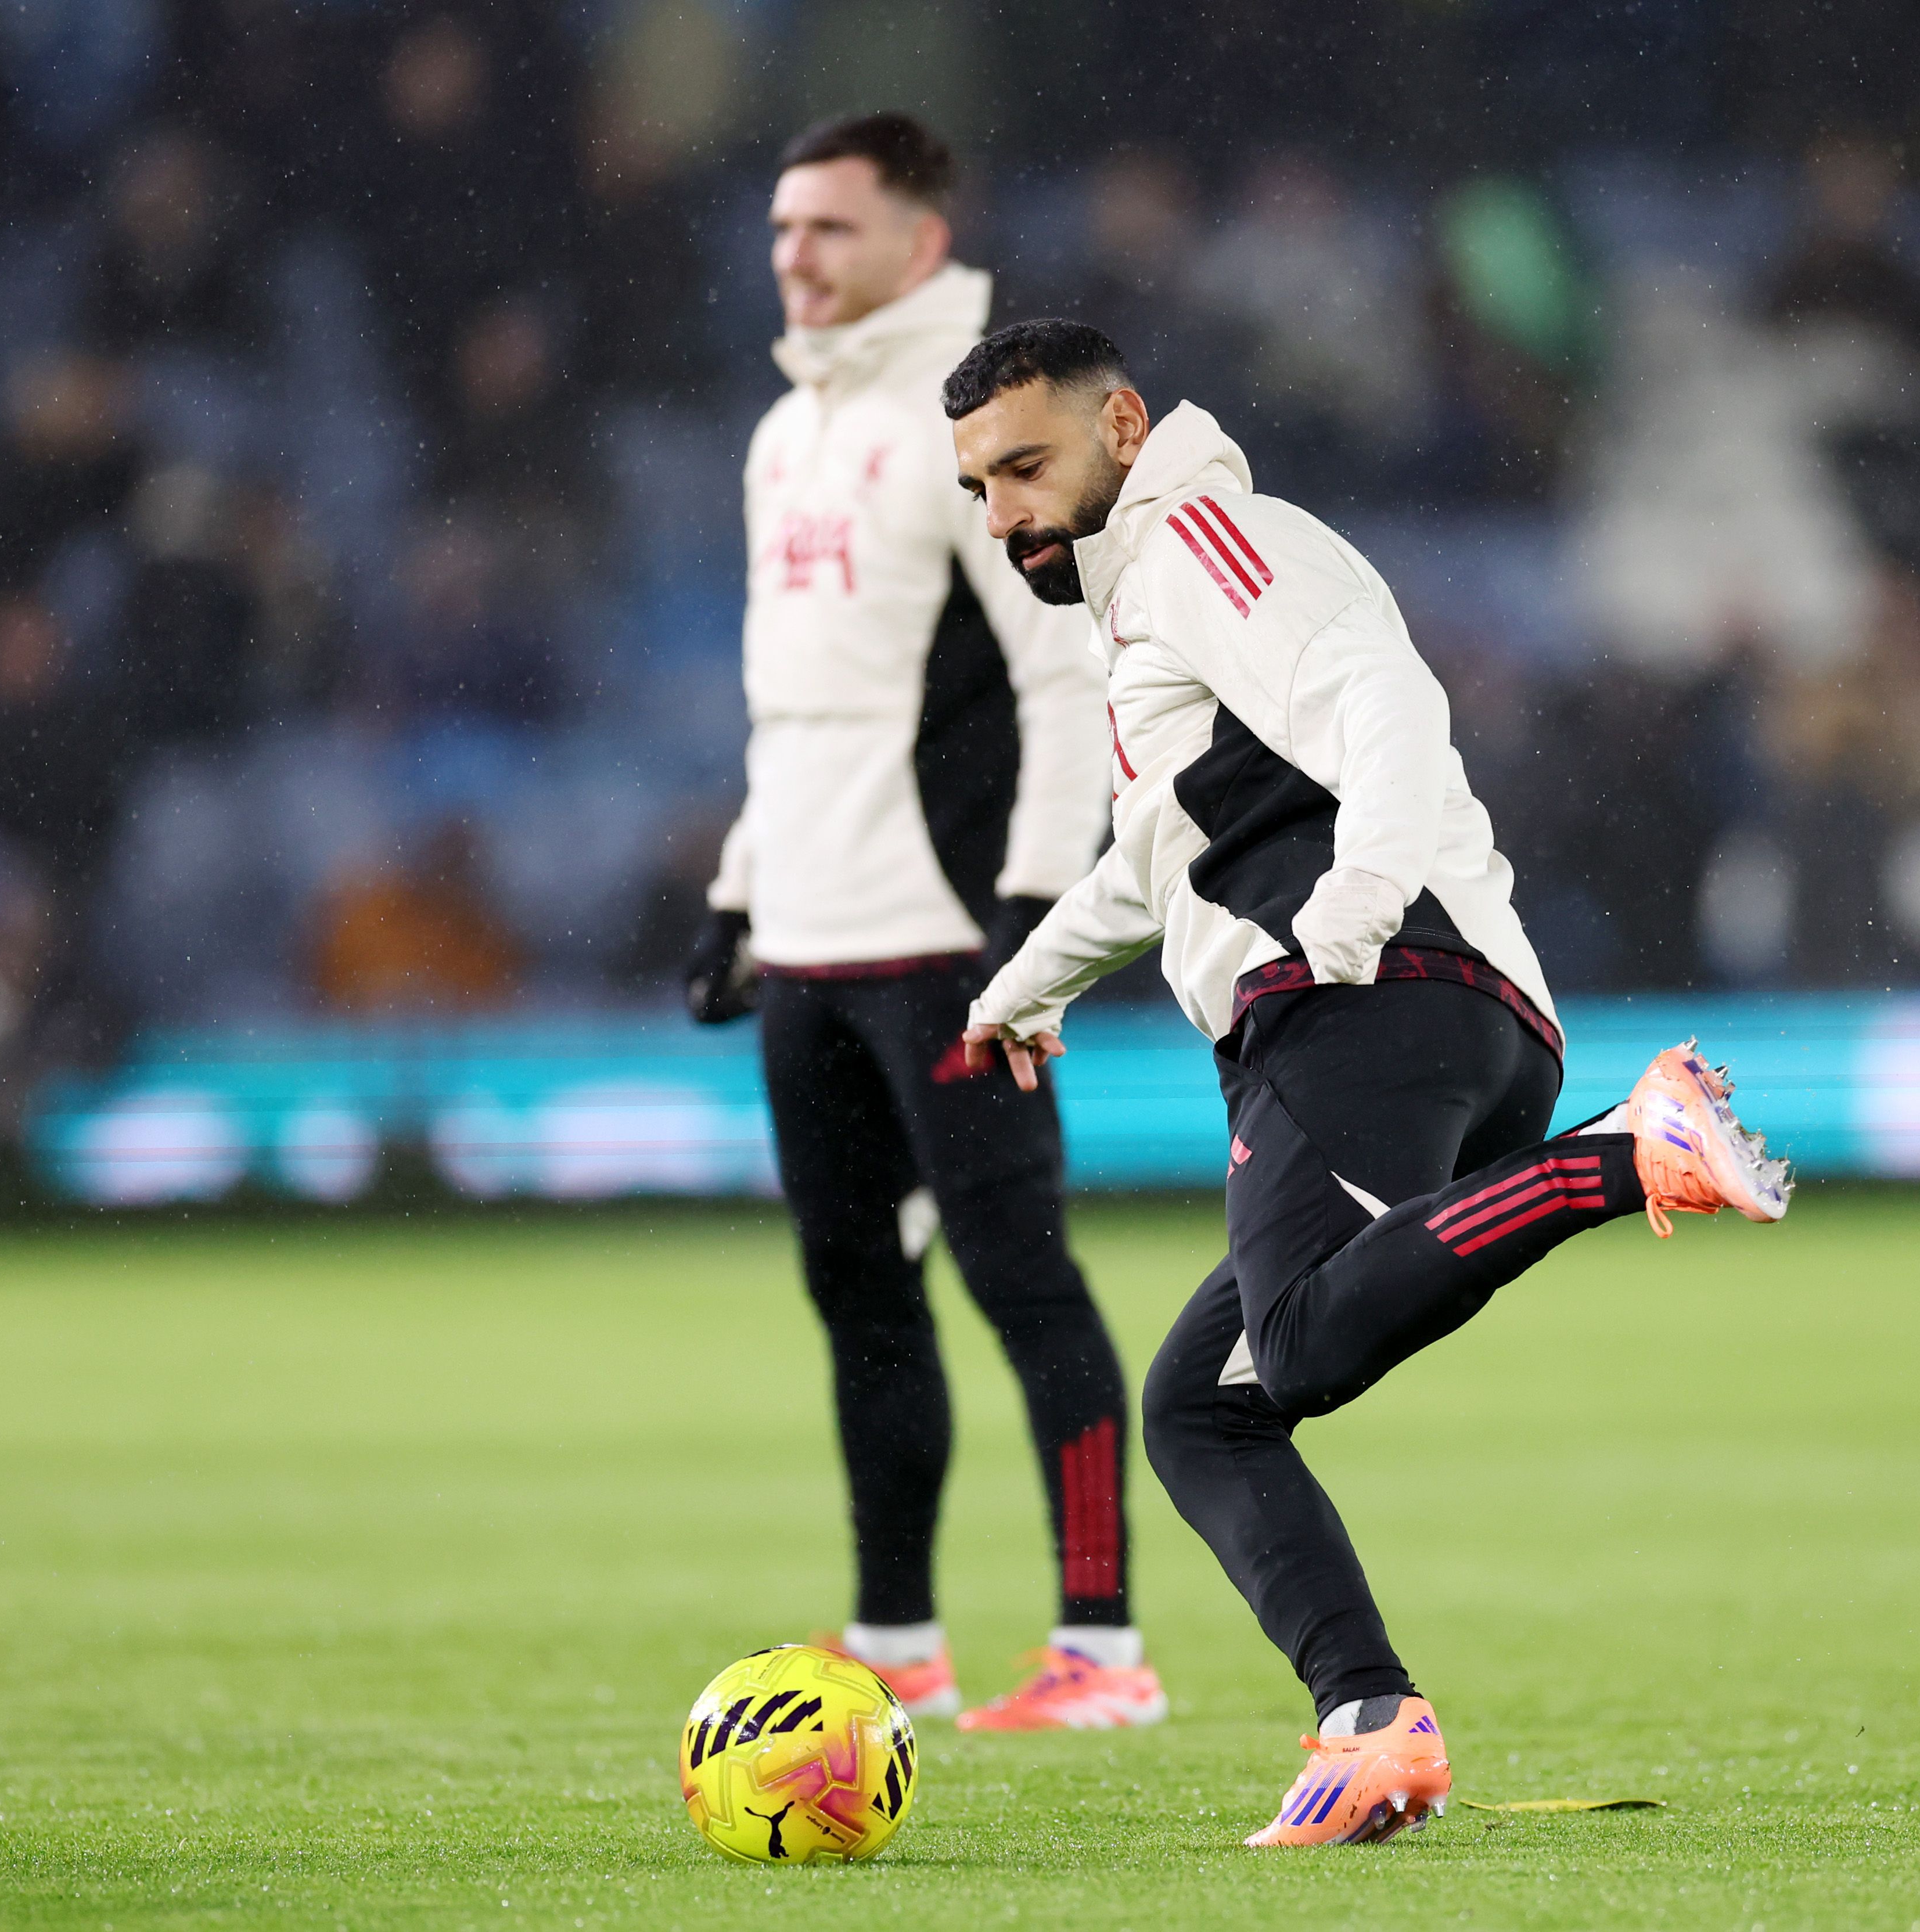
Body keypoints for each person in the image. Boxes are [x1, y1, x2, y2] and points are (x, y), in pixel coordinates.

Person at [943, 321, 1790, 1845]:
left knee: (1307, 1342)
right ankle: (1373, 1724)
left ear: (1123, 427)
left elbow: (1387, 704)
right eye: (980, 486)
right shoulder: (1142, 616)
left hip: (1366, 993)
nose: (1004, 511)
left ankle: (1630, 1146)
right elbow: (1158, 871)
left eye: (1027, 464)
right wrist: (1030, 984)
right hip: (1424, 1007)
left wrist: (1350, 907)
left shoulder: (1204, 540)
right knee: (1204, 1405)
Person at [678, 115, 1154, 1731]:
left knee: (1024, 1283)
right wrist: (741, 890)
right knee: (857, 1292)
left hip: (948, 941)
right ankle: (896, 1647)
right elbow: (798, 708)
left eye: (827, 227)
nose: (793, 255)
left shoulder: (981, 427)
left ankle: (1105, 1654)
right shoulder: (784, 438)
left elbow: (1062, 671)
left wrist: (1036, 918)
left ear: (922, 245)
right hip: (811, 939)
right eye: (779, 229)